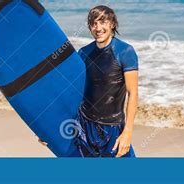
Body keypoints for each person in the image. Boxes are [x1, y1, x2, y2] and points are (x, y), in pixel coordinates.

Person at [39, 5, 139, 158]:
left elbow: (133, 93)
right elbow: (72, 91)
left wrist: (128, 132)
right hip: (84, 126)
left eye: (103, 22)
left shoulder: (125, 52)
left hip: (112, 128)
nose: (98, 28)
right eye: (94, 23)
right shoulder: (84, 53)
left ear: (112, 24)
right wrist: (52, 129)